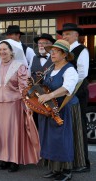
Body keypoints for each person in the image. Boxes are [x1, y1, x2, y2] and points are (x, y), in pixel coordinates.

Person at [0, 40, 40, 172]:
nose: (2, 52)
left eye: (5, 49)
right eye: (0, 50)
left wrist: (28, 106)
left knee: (12, 133)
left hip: (14, 105)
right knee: (0, 133)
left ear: (11, 51)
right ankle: (3, 158)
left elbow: (24, 88)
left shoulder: (19, 66)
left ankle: (14, 160)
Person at [38, 39, 80, 180]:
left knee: (63, 139)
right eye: (52, 51)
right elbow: (44, 86)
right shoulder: (50, 69)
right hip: (50, 109)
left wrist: (50, 95)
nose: (52, 53)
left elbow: (67, 88)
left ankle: (67, 171)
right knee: (50, 139)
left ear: (64, 55)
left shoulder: (70, 70)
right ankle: (55, 169)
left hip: (65, 108)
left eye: (56, 51)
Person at [57, 23, 90, 173]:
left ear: (76, 35)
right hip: (65, 91)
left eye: (68, 34)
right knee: (67, 126)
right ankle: (70, 160)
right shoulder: (63, 50)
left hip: (77, 91)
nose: (65, 36)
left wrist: (68, 87)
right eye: (63, 34)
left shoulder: (82, 50)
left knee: (79, 126)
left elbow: (82, 74)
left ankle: (83, 163)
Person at [29, 33, 55, 127]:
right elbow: (29, 75)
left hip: (51, 95)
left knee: (50, 120)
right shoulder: (33, 58)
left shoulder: (55, 59)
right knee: (36, 121)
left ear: (51, 45)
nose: (41, 45)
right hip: (35, 96)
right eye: (40, 43)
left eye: (44, 43)